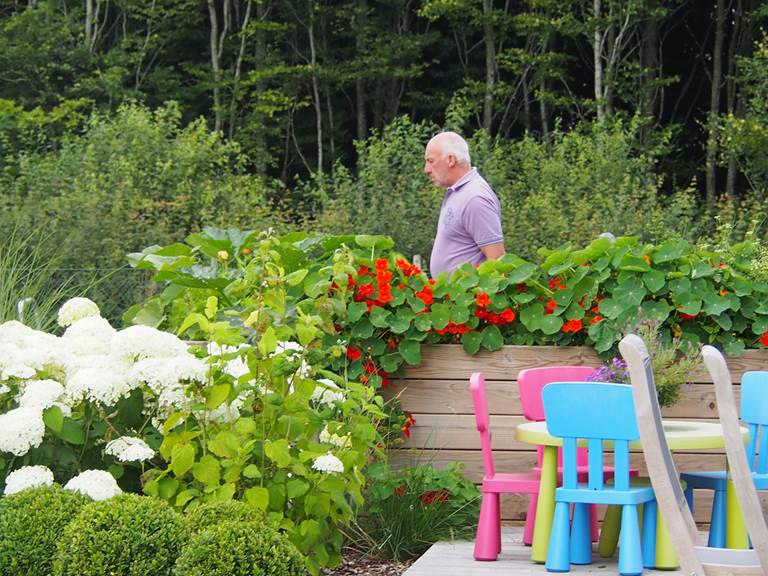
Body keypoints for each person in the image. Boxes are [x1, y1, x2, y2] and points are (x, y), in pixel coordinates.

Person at [424, 131, 505, 276]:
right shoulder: (459, 192)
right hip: (453, 295)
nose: (426, 170)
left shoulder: (475, 198)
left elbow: (497, 260)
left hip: (467, 297)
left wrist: (471, 292)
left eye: (430, 161)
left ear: (450, 160)